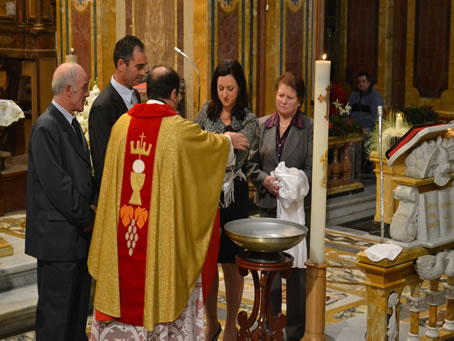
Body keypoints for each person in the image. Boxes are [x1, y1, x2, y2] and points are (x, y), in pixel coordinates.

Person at [87, 65, 249, 340]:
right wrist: (228, 141)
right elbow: (208, 150)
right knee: (159, 277)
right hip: (156, 240)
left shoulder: (121, 127)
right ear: (175, 94)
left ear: (146, 91)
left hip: (125, 230)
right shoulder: (177, 130)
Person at [25, 63, 97, 341]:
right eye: (83, 88)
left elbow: (83, 174)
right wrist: (88, 217)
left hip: (74, 241)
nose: (87, 94)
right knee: (56, 322)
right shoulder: (46, 127)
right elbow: (59, 188)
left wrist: (93, 204)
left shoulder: (69, 123)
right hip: (58, 243)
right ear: (68, 90)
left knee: (76, 319)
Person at [195, 59, 258, 341]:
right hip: (208, 194)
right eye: (220, 88)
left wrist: (218, 141)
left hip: (235, 194)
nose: (225, 94)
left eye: (230, 88)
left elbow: (242, 154)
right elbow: (197, 149)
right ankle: (211, 322)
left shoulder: (250, 120)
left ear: (240, 87)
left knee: (232, 262)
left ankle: (231, 323)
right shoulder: (204, 114)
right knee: (208, 260)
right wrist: (227, 139)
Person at [247, 72, 313, 341]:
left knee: (297, 274)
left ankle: (296, 330)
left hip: (297, 209)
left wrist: (292, 185)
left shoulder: (308, 127)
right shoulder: (262, 124)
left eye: (290, 97)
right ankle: (269, 325)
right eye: (280, 95)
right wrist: (266, 180)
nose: (283, 101)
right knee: (269, 270)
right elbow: (250, 164)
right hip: (267, 206)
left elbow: (312, 168)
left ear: (300, 101)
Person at [89, 35, 147, 190]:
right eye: (139, 67)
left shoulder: (135, 95)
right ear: (121, 64)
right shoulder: (102, 106)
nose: (143, 73)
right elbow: (102, 162)